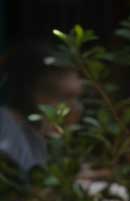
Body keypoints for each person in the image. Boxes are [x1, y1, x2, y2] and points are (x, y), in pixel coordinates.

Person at [0, 40, 82, 175]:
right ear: (30, 92)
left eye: (77, 98)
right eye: (66, 97)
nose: (76, 108)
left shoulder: (34, 134)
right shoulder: (5, 129)